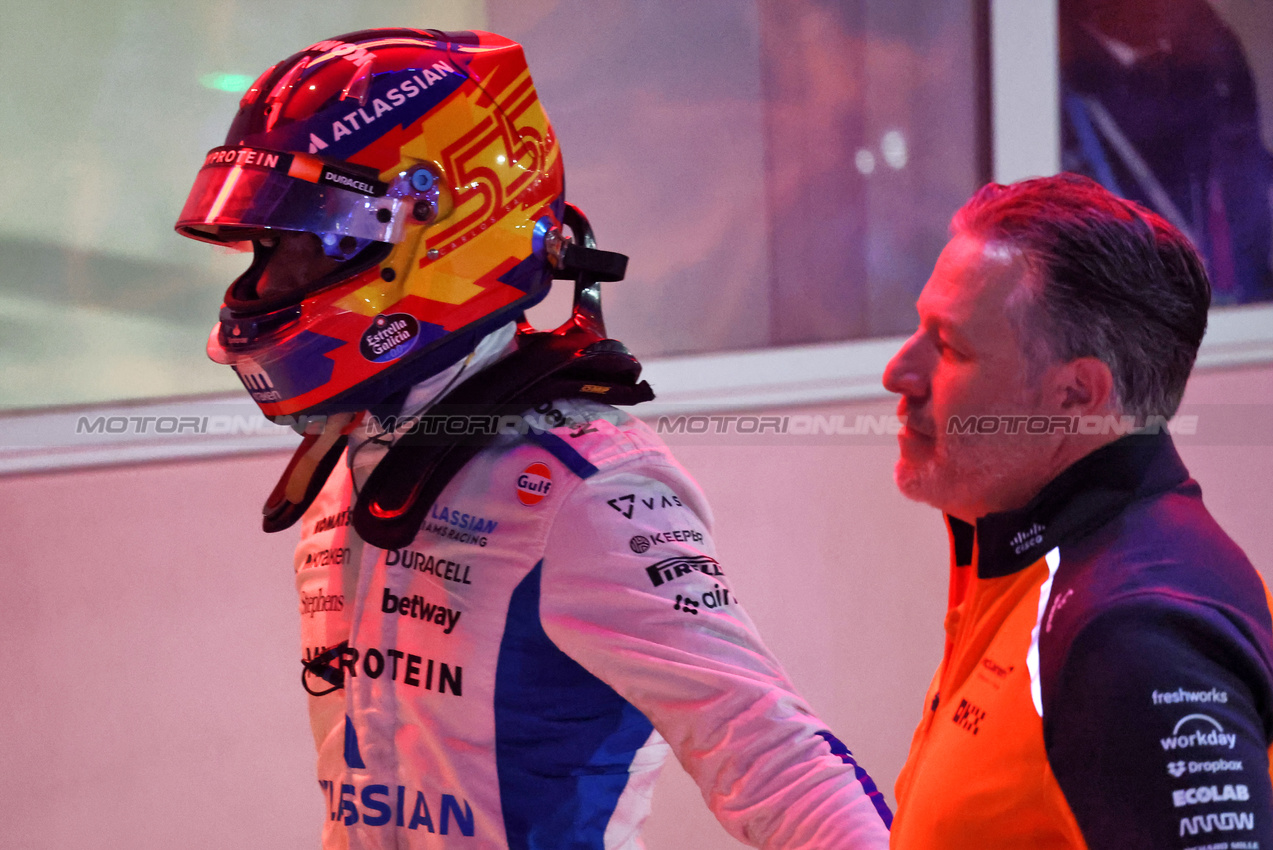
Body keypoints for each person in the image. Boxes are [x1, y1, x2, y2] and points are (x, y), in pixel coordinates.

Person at [174, 28, 892, 849]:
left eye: (300, 245)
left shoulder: (586, 489)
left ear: (436, 232)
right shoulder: (351, 460)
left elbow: (774, 756)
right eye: (261, 248)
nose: (262, 286)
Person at [882, 172, 1273, 848]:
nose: (898, 371)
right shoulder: (1027, 550)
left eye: (947, 347)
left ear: (1075, 393)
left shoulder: (1132, 634)